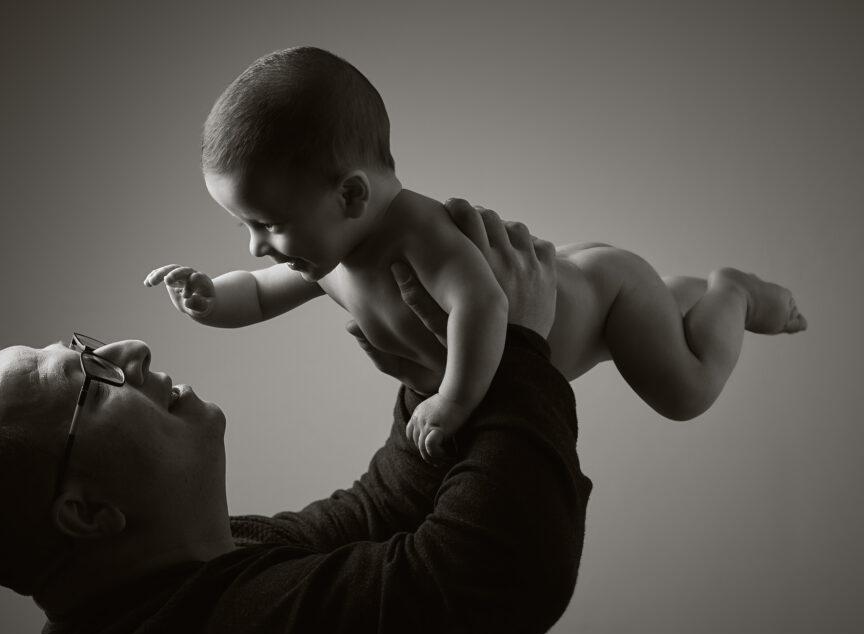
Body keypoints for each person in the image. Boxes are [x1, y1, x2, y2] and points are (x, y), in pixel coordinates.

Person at [0, 203, 592, 634]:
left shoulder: (182, 583)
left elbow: (380, 514)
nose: (132, 350)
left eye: (83, 347)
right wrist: (517, 351)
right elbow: (498, 570)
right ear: (88, 513)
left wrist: (437, 385)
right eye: (89, 384)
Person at [145, 46, 807, 462]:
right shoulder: (327, 258)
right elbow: (257, 294)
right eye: (245, 229)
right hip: (574, 284)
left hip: (606, 299)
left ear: (350, 195)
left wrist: (456, 401)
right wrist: (209, 299)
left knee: (686, 392)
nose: (259, 246)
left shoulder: (418, 233)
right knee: (666, 326)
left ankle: (732, 291)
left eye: (267, 225)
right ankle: (682, 293)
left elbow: (485, 305)